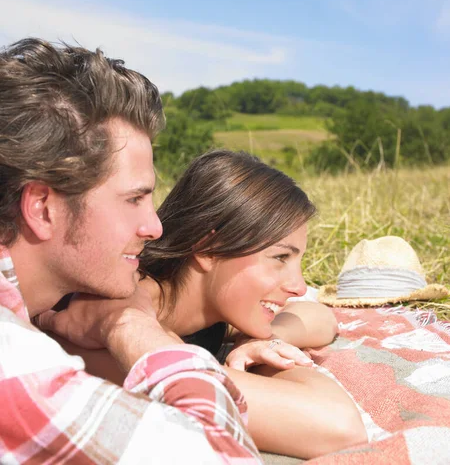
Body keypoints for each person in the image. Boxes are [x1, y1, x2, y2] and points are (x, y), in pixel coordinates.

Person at [0, 38, 261, 464]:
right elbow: (220, 454)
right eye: (133, 199)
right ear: (42, 208)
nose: (154, 226)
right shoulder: (12, 359)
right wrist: (131, 325)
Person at [49, 150, 368, 459]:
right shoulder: (113, 324)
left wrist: (259, 341)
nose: (298, 286)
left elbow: (321, 318)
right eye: (280, 258)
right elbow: (336, 426)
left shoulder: (201, 311)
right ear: (210, 250)